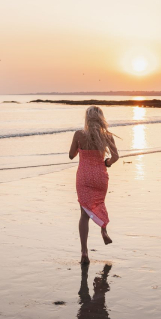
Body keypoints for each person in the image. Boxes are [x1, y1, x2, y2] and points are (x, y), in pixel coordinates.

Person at [69, 106, 120, 264]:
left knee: (84, 215)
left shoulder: (79, 134)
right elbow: (116, 156)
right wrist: (107, 162)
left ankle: (84, 252)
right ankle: (103, 230)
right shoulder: (107, 136)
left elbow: (71, 156)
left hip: (84, 176)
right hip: (100, 176)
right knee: (99, 202)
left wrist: (80, 148)